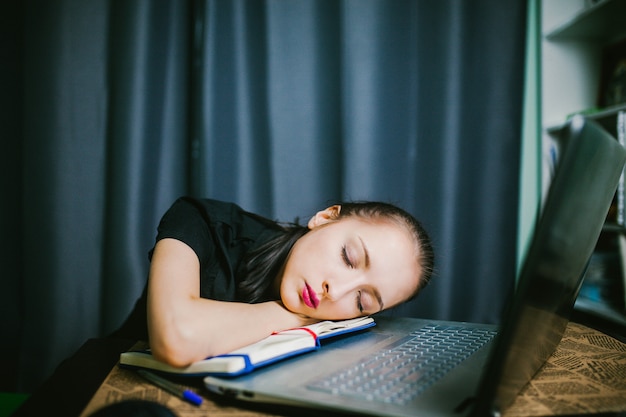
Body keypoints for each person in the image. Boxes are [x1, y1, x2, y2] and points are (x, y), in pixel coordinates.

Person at [113, 197, 434, 368]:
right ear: (324, 218)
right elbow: (176, 339)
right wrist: (296, 316)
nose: (335, 291)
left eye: (362, 301)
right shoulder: (201, 220)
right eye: (348, 257)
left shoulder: (339, 324)